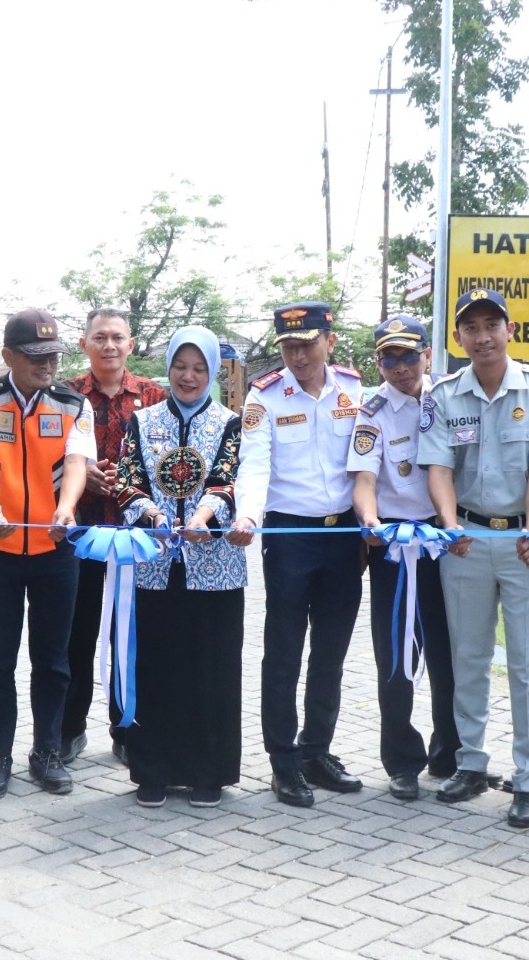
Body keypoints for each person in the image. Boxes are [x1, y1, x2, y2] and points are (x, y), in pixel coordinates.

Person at [420, 289, 529, 828]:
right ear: (457, 337)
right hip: (465, 539)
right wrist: (448, 524)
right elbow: (437, 466)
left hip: (526, 543)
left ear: (510, 329)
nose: (482, 336)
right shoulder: (442, 396)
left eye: (491, 325)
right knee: (469, 658)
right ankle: (471, 763)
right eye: (471, 328)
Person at [232, 301, 367, 807]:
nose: (297, 355)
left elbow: (366, 461)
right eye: (288, 346)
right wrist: (248, 516)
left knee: (331, 652)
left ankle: (317, 750)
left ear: (329, 342)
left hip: (342, 536)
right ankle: (283, 761)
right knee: (285, 651)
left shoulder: (355, 391)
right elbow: (255, 464)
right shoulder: (264, 396)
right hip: (288, 535)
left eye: (307, 344)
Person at [0, 308, 94, 800]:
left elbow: (76, 463)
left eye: (54, 355)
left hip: (57, 550)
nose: (48, 365)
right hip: (0, 549)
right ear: (8, 356)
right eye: (35, 356)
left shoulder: (74, 405)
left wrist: (66, 508)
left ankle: (47, 753)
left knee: (53, 661)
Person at [114, 326, 245, 808]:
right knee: (157, 667)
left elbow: (229, 480)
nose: (188, 377)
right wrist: (153, 516)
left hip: (215, 565)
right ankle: (153, 770)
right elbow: (128, 481)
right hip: (155, 564)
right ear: (168, 368)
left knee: (210, 668)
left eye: (199, 368)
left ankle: (209, 772)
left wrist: (203, 518)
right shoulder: (142, 422)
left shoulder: (231, 423)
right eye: (180, 366)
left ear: (212, 372)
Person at [348, 316, 459, 800]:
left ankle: (451, 754)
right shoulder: (371, 410)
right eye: (388, 358)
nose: (399, 367)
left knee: (450, 652)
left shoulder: (452, 397)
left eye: (409, 355)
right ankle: (401, 760)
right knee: (395, 655)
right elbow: (365, 478)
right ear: (378, 363)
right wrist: (369, 520)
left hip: (447, 540)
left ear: (427, 356)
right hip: (392, 544)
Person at [61, 308, 167, 765]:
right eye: (99, 337)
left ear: (132, 343)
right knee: (76, 636)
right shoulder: (63, 397)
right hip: (80, 535)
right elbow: (53, 458)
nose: (108, 345)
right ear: (84, 344)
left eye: (117, 337)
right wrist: (83, 472)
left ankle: (128, 731)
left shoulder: (154, 395)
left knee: (130, 637)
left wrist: (127, 485)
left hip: (137, 541)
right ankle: (68, 730)